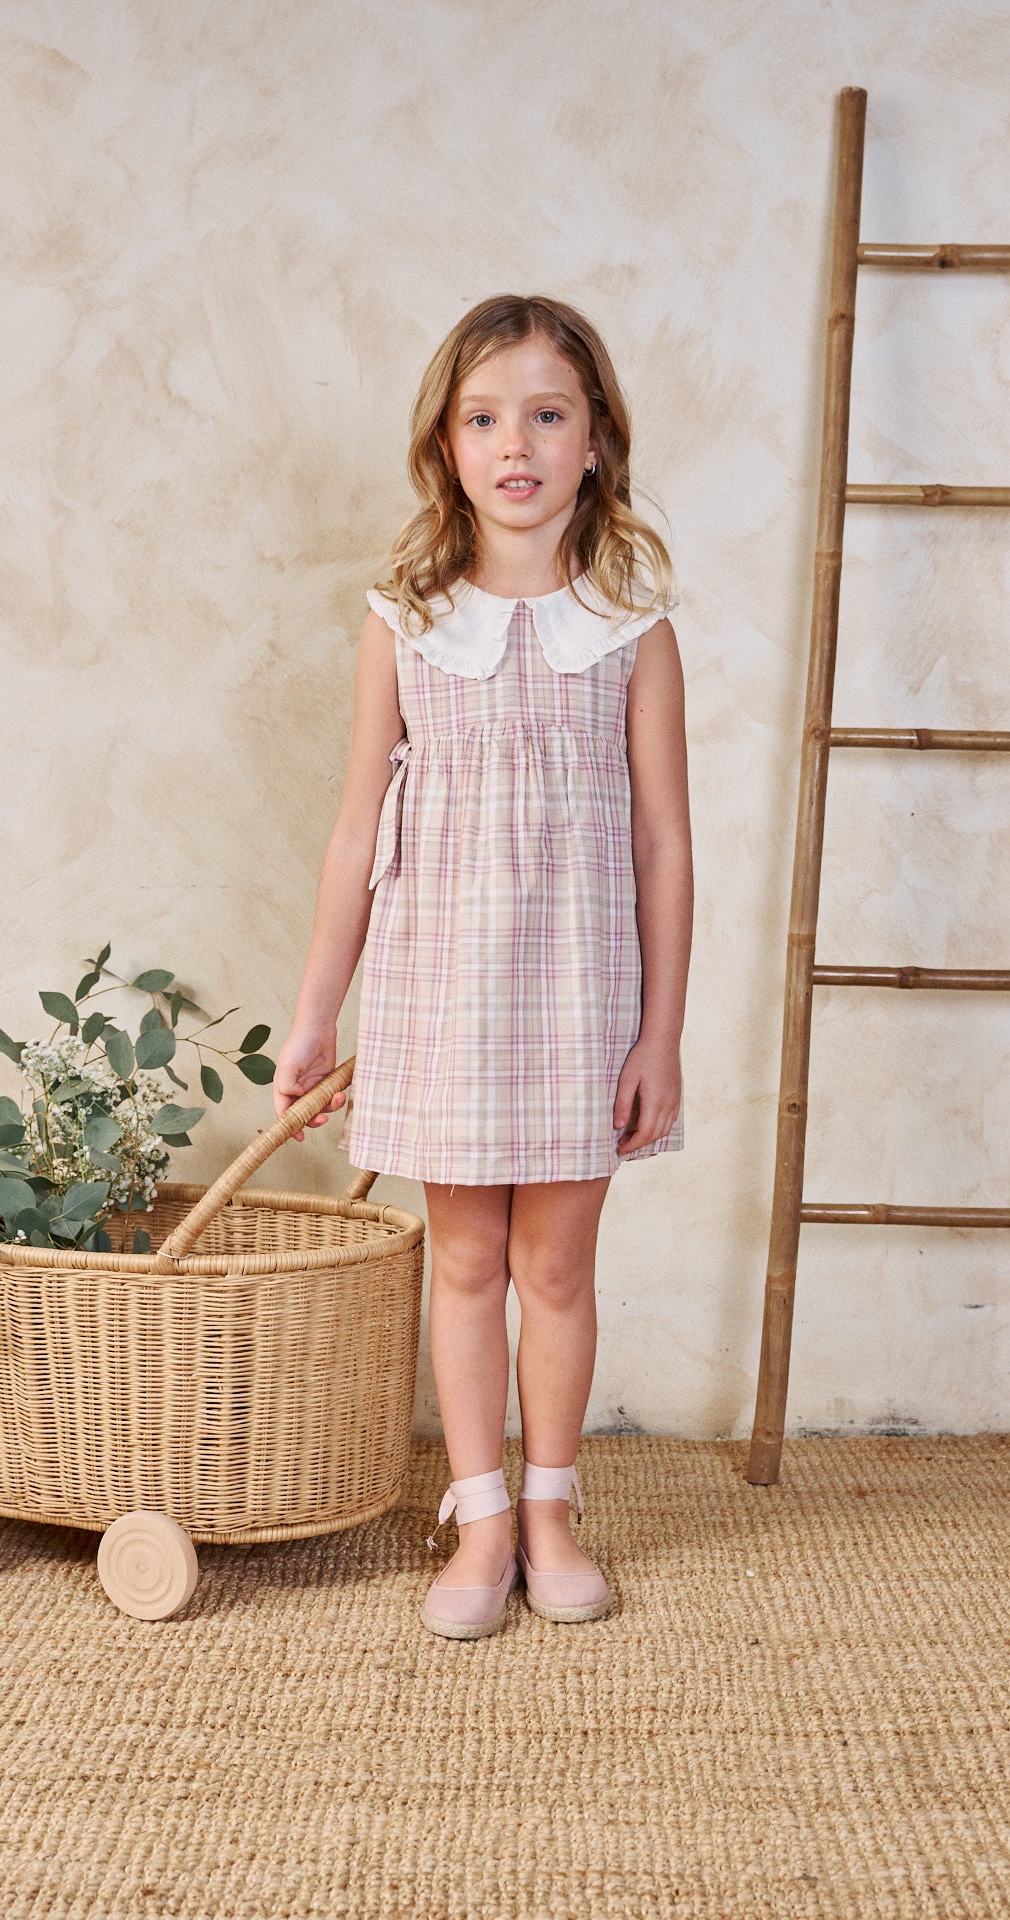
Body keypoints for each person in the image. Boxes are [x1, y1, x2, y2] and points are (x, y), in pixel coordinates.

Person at [274, 293, 691, 1640]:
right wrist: (314, 1015)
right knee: (465, 1263)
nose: (517, 444)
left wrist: (661, 1034)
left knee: (556, 1269)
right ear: (446, 446)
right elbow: (357, 829)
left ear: (595, 438)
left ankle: (554, 1508)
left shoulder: (630, 629)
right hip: (440, 993)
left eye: (547, 415)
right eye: (485, 418)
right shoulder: (405, 623)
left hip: (580, 995)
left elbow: (665, 846)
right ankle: (481, 1518)